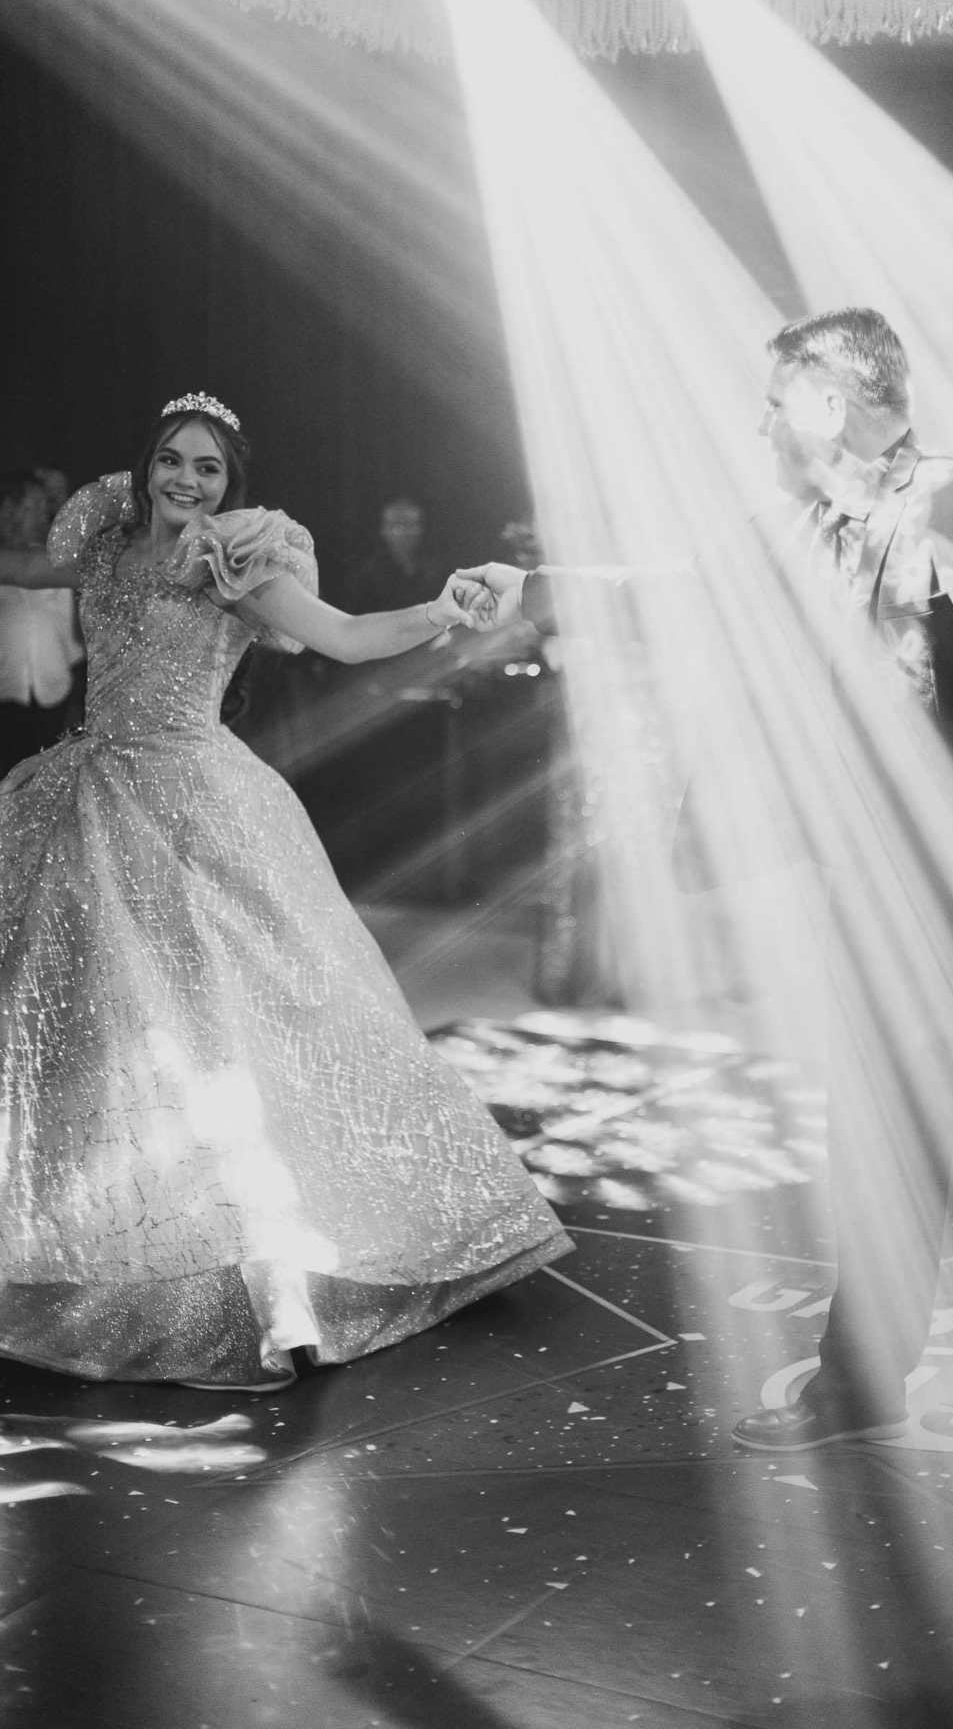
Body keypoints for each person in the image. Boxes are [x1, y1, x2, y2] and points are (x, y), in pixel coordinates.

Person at [455, 308, 953, 1524]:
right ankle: (858, 1383)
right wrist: (531, 588)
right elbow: (673, 592)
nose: (759, 425)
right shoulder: (796, 533)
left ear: (827, 404)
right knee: (880, 1151)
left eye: (773, 403)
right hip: (863, 895)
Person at [0, 392, 570, 1390]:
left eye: (207, 467)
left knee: (215, 1036)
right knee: (93, 1031)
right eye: (171, 459)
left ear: (230, 484)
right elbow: (24, 568)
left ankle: (264, 1287)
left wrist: (442, 610)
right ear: (145, 464)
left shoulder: (235, 559)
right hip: (91, 799)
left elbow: (346, 636)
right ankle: (98, 1248)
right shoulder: (104, 546)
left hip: (193, 812)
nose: (185, 480)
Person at [0, 469, 84, 780]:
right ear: (8, 511)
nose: (39, 515)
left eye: (41, 507)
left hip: (53, 686)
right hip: (6, 688)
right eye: (30, 507)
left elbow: (72, 627)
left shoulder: (57, 560)